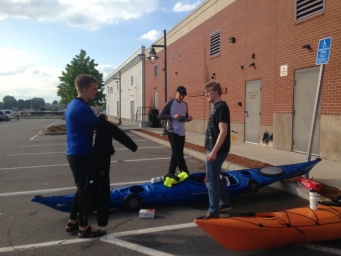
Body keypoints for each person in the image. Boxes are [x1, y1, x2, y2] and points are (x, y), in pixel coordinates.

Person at [64, 74, 106, 238]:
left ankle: (72, 222)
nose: (96, 91)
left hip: (75, 153)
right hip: (81, 155)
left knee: (81, 189)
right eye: (94, 89)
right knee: (85, 192)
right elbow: (99, 125)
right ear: (85, 89)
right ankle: (83, 227)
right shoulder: (82, 108)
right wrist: (103, 118)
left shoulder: (72, 105)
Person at [197, 81, 232, 220]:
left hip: (217, 150)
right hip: (213, 149)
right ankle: (225, 202)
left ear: (217, 91)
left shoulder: (221, 107)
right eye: (204, 92)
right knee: (214, 177)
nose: (206, 94)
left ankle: (213, 212)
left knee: (211, 181)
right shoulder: (216, 107)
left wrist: (214, 152)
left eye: (208, 91)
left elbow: (223, 132)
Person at [158, 86, 193, 175]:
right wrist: (173, 116)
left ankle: (170, 174)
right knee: (179, 155)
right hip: (172, 132)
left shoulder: (185, 104)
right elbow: (160, 116)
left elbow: (185, 117)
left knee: (175, 154)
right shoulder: (170, 103)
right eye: (180, 95)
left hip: (182, 132)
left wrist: (188, 118)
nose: (182, 97)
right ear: (176, 93)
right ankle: (185, 173)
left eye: (183, 96)